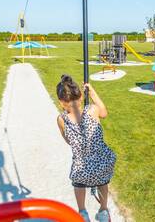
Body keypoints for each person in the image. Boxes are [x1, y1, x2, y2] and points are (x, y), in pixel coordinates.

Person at [56, 75, 116, 222]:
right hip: (102, 165)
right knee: (103, 183)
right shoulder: (92, 111)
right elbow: (104, 113)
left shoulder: (61, 119)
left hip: (81, 169)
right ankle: (103, 211)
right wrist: (93, 92)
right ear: (81, 96)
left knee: (78, 184)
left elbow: (68, 140)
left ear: (61, 102)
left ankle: (82, 212)